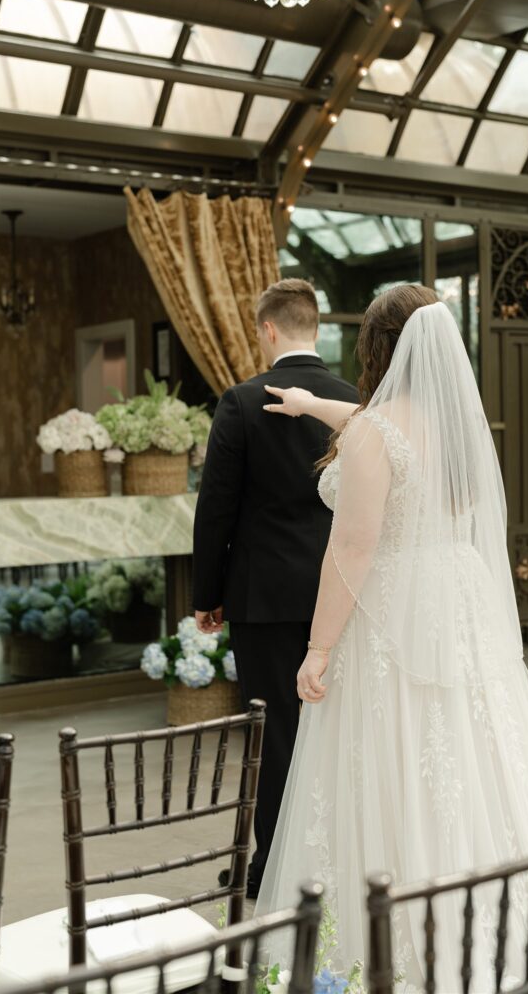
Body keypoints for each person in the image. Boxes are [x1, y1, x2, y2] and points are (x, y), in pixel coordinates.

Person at [256, 284, 528, 990]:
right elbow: (370, 424)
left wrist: (319, 646)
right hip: (453, 606)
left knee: (393, 753)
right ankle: (506, 911)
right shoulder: (454, 429)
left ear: (377, 347)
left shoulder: (372, 432)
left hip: (388, 613)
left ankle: (392, 935)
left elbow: (353, 547)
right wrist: (311, 405)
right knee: (474, 751)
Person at [192, 277, 358, 899]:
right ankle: (339, 858)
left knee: (274, 733)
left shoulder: (241, 401)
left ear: (267, 329)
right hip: (340, 593)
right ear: (314, 326)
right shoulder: (353, 400)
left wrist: (208, 594)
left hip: (263, 599)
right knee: (336, 727)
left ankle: (274, 870)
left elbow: (217, 508)